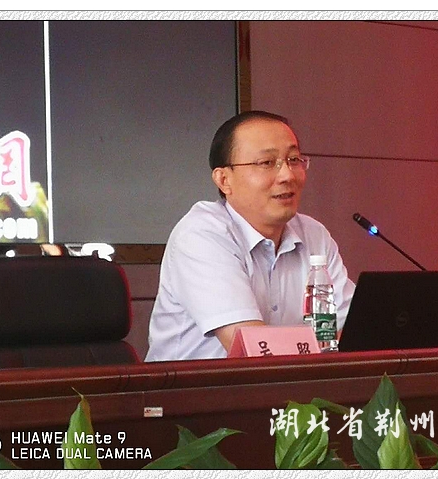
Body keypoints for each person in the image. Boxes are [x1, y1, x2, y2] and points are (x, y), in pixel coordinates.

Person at [145, 110, 355, 361]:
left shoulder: (314, 234)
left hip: (291, 385)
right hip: (195, 386)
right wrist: (324, 345)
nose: (287, 175)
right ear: (224, 179)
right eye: (266, 163)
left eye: (294, 160)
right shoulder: (201, 234)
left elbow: (355, 331)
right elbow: (253, 348)